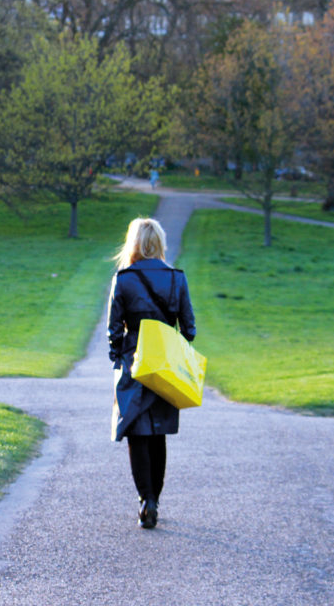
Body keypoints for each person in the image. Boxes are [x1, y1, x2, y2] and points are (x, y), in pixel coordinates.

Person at [107, 217, 196, 529]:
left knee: (135, 431)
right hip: (166, 363)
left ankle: (146, 499)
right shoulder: (177, 278)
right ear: (159, 243)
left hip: (134, 362)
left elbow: (113, 332)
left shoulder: (124, 279)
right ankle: (154, 498)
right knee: (158, 433)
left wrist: (118, 360)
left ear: (133, 243)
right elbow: (190, 329)